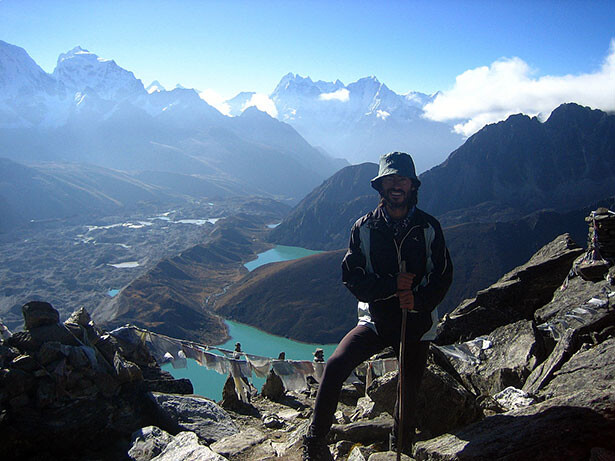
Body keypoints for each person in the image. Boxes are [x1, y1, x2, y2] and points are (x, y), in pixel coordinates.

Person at [302, 152, 453, 460]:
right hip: (375, 320)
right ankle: (315, 443)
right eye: (390, 179)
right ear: (381, 186)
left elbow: (443, 275)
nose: (396, 185)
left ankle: (401, 447)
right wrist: (391, 286)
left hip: (416, 323)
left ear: (412, 186)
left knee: (407, 391)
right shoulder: (364, 228)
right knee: (335, 366)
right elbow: (352, 277)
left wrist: (419, 301)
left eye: (402, 179)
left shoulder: (429, 228)